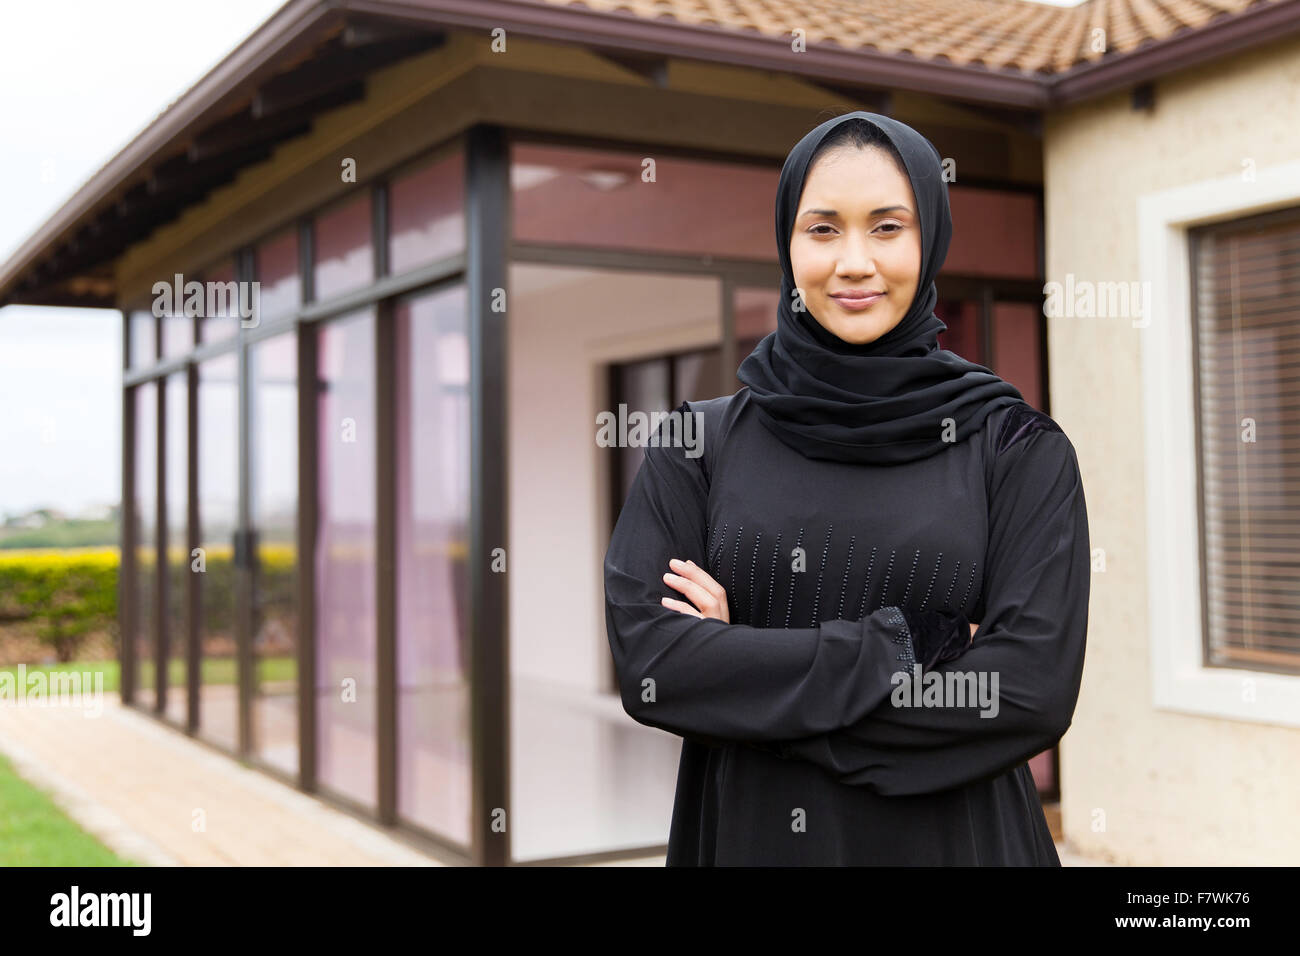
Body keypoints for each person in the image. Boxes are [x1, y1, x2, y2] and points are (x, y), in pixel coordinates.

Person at [602, 111, 1090, 865]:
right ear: (787, 244)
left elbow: (1024, 695)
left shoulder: (1015, 447)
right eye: (823, 229)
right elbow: (656, 670)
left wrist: (746, 672)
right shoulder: (699, 443)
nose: (853, 262)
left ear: (929, 239)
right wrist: (906, 646)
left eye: (887, 227)